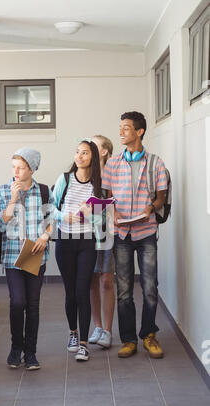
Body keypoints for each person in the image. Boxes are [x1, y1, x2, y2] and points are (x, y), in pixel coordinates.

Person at [102, 112, 167, 359]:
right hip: (122, 233)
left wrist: (151, 208)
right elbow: (107, 196)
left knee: (150, 287)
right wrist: (115, 212)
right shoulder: (113, 163)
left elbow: (161, 196)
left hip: (147, 231)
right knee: (124, 289)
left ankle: (149, 334)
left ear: (139, 132)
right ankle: (128, 339)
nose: (121, 132)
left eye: (126, 128)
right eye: (120, 128)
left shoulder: (155, 163)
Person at [0, 148, 54, 371]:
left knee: (33, 305)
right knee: (17, 302)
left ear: (32, 168)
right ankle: (15, 348)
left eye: (20, 167)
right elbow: (1, 224)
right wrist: (13, 198)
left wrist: (45, 237)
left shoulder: (44, 192)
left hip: (35, 254)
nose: (16, 172)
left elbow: (52, 218)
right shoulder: (3, 191)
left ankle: (30, 353)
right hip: (12, 256)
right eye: (13, 167)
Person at [53, 139, 102, 362]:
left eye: (84, 153)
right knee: (70, 292)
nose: (79, 156)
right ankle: (73, 333)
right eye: (77, 152)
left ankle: (83, 344)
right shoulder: (64, 179)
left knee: (82, 291)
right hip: (65, 240)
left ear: (92, 157)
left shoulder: (98, 184)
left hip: (86, 242)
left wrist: (90, 212)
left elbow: (102, 218)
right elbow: (50, 209)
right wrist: (65, 216)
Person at [89, 135, 115, 349]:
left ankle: (108, 330)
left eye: (94, 145)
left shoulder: (113, 172)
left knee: (106, 280)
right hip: (87, 232)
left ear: (105, 151)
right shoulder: (84, 173)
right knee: (91, 280)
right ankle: (97, 326)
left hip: (108, 232)